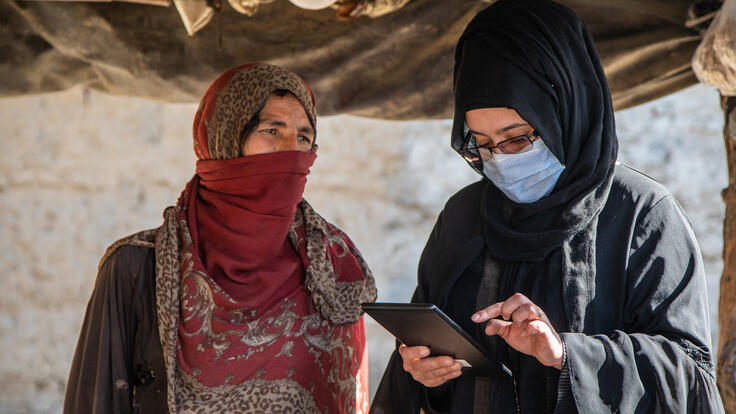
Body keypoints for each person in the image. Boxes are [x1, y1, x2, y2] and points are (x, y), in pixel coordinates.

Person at [370, 0, 725, 412]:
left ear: (566, 111)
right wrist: (429, 377)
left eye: (517, 138)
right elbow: (426, 369)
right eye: (480, 145)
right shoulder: (463, 217)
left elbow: (691, 378)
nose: (500, 159)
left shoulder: (642, 214)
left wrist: (565, 355)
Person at [64, 63, 377, 414]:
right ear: (223, 139)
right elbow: (96, 402)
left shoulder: (330, 263)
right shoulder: (136, 267)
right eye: (272, 131)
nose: (292, 150)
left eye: (303, 137)